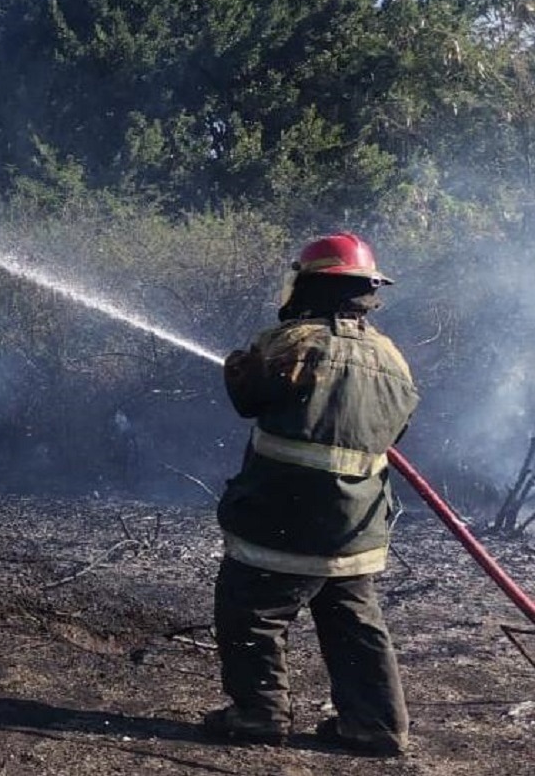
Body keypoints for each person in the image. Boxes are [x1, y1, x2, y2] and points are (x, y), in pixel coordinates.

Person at [202, 232, 419, 757]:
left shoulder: (290, 343)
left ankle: (258, 714)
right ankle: (375, 725)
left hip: (282, 520)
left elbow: (247, 397)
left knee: (250, 611)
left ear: (309, 285)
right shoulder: (393, 359)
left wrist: (239, 363)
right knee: (354, 621)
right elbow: (396, 431)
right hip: (357, 530)